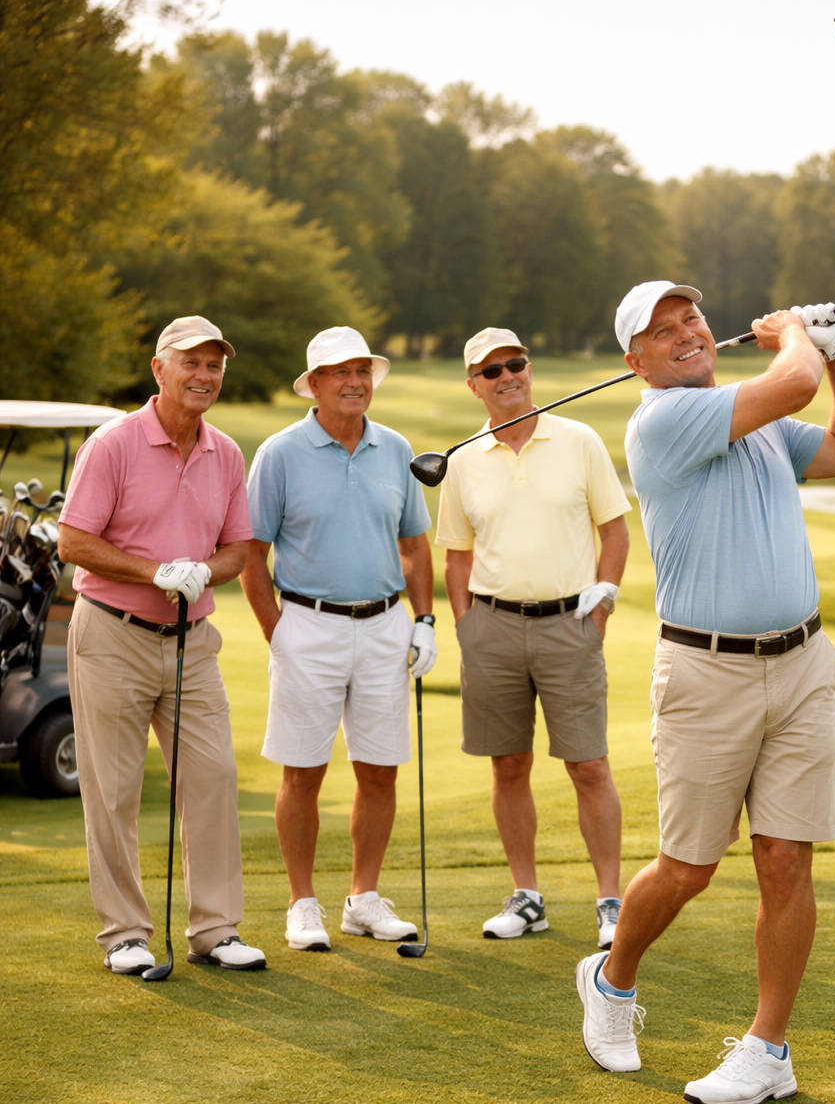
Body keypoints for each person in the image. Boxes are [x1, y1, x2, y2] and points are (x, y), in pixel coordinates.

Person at [575, 284, 835, 1103]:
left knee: (786, 861)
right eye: (661, 333)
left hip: (803, 663)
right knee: (687, 868)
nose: (684, 335)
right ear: (635, 363)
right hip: (708, 674)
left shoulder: (761, 424)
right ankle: (611, 980)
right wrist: (796, 337)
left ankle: (768, 1050)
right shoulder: (663, 421)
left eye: (691, 321)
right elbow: (792, 382)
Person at [58, 315, 266, 974]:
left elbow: (238, 547)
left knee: (212, 777)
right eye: (191, 364)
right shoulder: (114, 444)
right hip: (111, 635)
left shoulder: (226, 453)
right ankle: (124, 932)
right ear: (159, 369)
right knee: (114, 788)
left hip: (191, 641)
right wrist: (155, 572)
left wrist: (207, 571)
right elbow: (74, 542)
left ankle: (215, 929)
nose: (204, 376)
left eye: (214, 366)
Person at [241, 326, 435, 951]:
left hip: (385, 625)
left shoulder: (395, 448)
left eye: (362, 372)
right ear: (316, 384)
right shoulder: (279, 453)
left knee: (380, 772)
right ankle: (302, 904)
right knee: (303, 773)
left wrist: (425, 620)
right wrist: (280, 635)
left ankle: (364, 899)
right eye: (339, 373)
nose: (354, 382)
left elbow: (414, 544)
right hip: (308, 623)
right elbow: (252, 556)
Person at [436, 327, 631, 943]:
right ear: (474, 386)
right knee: (508, 766)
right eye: (490, 372)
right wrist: (468, 628)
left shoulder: (578, 440)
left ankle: (610, 903)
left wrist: (600, 608)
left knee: (590, 766)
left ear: (529, 369)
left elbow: (616, 532)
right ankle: (527, 898)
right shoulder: (463, 461)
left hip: (571, 624)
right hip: (491, 627)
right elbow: (457, 557)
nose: (506, 377)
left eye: (514, 364)